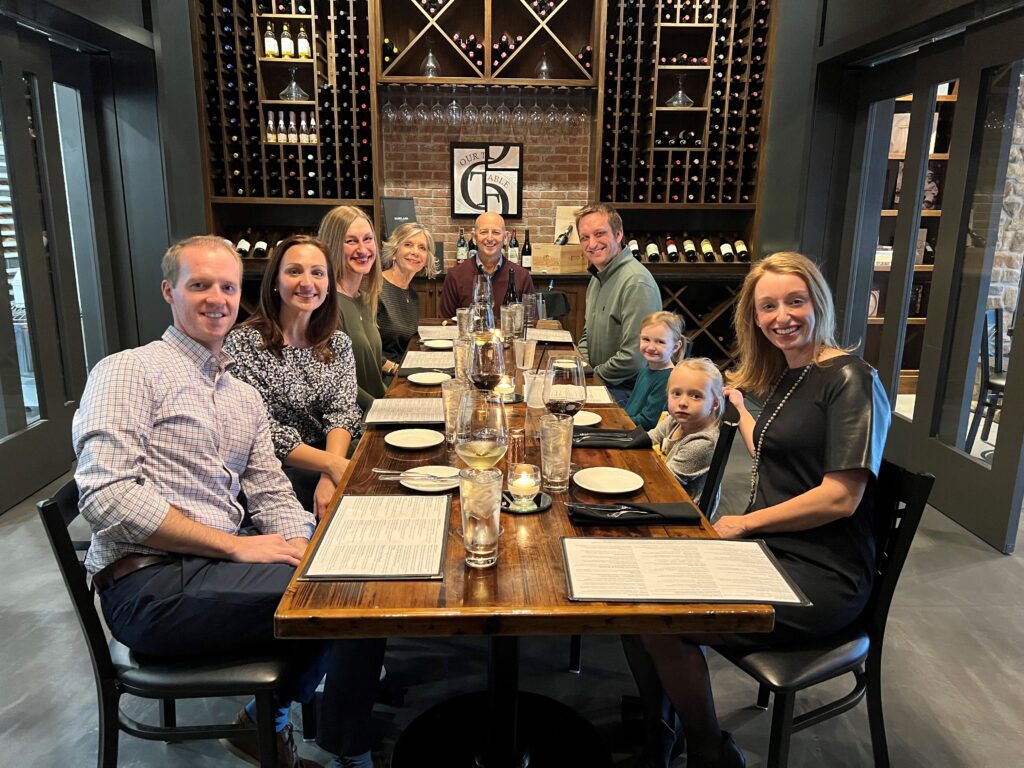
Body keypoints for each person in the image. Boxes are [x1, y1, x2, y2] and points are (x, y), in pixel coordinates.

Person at [73, 235, 385, 768]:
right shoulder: (129, 370)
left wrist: (304, 545)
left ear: (241, 295)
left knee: (348, 575)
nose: (216, 298)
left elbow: (269, 487)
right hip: (147, 582)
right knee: (350, 599)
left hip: (209, 567)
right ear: (169, 291)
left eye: (226, 286)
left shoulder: (240, 395)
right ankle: (346, 750)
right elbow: (107, 497)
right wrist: (234, 548)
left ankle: (274, 722)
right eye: (200, 285)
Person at [622, 252, 891, 768]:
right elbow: (773, 449)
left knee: (652, 616)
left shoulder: (852, 379)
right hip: (768, 555)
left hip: (821, 574)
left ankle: (708, 749)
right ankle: (665, 728)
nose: (781, 316)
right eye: (768, 306)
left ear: (820, 302)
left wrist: (743, 523)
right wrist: (744, 414)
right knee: (631, 595)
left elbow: (842, 496)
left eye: (795, 301)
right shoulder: (792, 373)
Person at [224, 234, 361, 520]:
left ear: (328, 285)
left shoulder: (337, 343)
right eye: (294, 271)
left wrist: (329, 473)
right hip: (274, 475)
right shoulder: (242, 344)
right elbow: (261, 430)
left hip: (331, 459)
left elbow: (343, 412)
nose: (307, 282)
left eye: (317, 273)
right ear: (275, 281)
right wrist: (332, 466)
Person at [575, 203, 661, 405]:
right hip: (604, 383)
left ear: (619, 234)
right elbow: (588, 334)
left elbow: (634, 357)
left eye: (599, 234)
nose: (592, 244)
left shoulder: (636, 283)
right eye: (584, 237)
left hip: (628, 393)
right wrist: (582, 369)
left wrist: (593, 377)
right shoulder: (597, 278)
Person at [319, 206, 390, 410]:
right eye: (351, 241)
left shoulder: (366, 299)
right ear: (333, 246)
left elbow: (373, 375)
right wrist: (384, 410)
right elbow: (336, 383)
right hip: (355, 426)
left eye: (367, 239)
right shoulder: (327, 304)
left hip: (377, 413)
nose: (363, 249)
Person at [647, 357, 723, 511]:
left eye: (695, 396)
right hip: (665, 495)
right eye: (676, 393)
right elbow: (648, 439)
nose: (682, 402)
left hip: (681, 513)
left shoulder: (703, 443)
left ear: (714, 403)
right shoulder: (676, 420)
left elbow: (664, 481)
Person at [438, 211, 534, 319]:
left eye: (496, 232)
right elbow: (444, 323)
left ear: (506, 238)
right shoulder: (455, 276)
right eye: (483, 232)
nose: (489, 238)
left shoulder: (522, 276)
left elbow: (530, 325)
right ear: (474, 238)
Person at [378, 222, 437, 365]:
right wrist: (394, 369)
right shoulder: (376, 289)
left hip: (405, 368)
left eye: (422, 248)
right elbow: (363, 349)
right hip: (383, 376)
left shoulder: (412, 296)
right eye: (408, 245)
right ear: (394, 251)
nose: (415, 252)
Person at [625, 310, 686, 430]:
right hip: (629, 426)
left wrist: (618, 421)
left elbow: (648, 421)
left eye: (660, 342)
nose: (651, 347)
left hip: (640, 436)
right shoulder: (647, 368)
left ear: (675, 347)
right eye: (646, 339)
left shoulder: (668, 379)